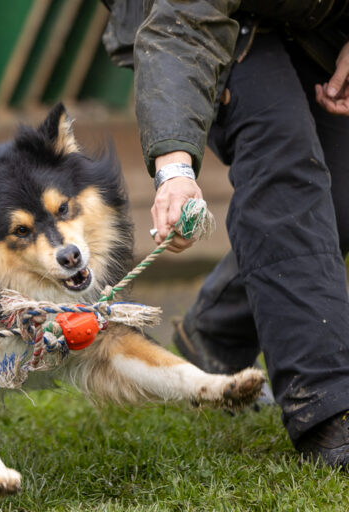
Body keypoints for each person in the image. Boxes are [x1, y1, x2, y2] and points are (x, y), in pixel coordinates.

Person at [101, 0, 349, 467]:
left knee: (340, 200)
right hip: (189, 17)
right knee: (283, 158)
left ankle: (217, 332)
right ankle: (327, 406)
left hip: (311, 19)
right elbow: (183, 30)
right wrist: (173, 170)